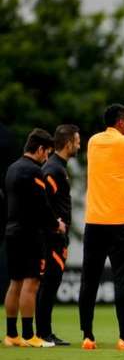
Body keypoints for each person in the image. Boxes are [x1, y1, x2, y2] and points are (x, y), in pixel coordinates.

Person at [80, 104, 124, 350]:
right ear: (121, 122)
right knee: (123, 280)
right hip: (120, 222)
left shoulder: (93, 142)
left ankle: (88, 336)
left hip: (94, 220)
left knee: (89, 280)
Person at [4, 129, 64, 348]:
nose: (46, 158)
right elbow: (42, 205)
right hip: (30, 235)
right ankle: (29, 336)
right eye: (46, 153)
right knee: (31, 283)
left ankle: (11, 334)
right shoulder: (33, 171)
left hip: (11, 232)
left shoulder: (11, 169)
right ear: (39, 149)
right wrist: (56, 225)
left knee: (15, 283)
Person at [36, 125, 79, 346]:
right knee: (49, 284)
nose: (79, 145)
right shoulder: (53, 169)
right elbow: (42, 200)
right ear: (69, 142)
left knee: (51, 283)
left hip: (57, 237)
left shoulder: (58, 167)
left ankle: (44, 332)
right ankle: (43, 333)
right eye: (77, 141)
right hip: (51, 238)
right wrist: (55, 223)